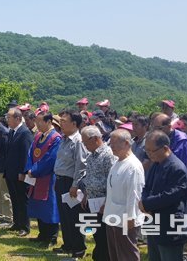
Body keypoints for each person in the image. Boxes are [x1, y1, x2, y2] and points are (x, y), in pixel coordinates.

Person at [140, 130, 187, 261]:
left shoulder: (177, 167)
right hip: (154, 222)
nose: (149, 154)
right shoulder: (156, 164)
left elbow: (171, 195)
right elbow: (147, 187)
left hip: (170, 225)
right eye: (147, 151)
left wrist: (146, 203)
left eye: (152, 151)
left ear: (165, 148)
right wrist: (143, 201)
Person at [104, 129, 145, 261]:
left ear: (127, 143)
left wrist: (131, 216)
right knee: (115, 252)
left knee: (127, 253)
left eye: (115, 143)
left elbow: (135, 193)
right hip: (113, 214)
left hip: (125, 217)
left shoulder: (133, 166)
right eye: (111, 143)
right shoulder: (118, 161)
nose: (112, 146)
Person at [79, 125, 117, 260]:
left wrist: (107, 201)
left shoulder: (108, 155)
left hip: (104, 203)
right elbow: (89, 177)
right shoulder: (91, 156)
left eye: (85, 142)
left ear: (95, 139)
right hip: (92, 201)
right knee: (97, 233)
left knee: (105, 237)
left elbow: (112, 181)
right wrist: (86, 194)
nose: (84, 145)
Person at [54, 110, 87, 258]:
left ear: (74, 124)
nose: (61, 123)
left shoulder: (79, 141)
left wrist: (75, 185)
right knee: (64, 216)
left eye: (64, 121)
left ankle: (78, 247)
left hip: (71, 183)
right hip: (60, 180)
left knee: (74, 216)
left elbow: (81, 165)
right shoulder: (64, 139)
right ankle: (68, 244)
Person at [25, 111, 61, 248]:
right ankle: (42, 234)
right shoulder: (38, 136)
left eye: (40, 121)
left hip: (48, 178)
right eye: (36, 121)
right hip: (35, 176)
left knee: (49, 207)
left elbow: (50, 159)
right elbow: (30, 153)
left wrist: (34, 171)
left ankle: (51, 236)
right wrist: (29, 169)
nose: (37, 124)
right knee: (39, 205)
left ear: (48, 122)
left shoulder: (56, 138)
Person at [4, 108, 33, 237]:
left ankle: (25, 226)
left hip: (20, 174)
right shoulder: (11, 132)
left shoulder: (25, 133)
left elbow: (26, 155)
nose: (7, 120)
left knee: (22, 199)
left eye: (9, 117)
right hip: (10, 172)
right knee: (14, 199)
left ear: (17, 118)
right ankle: (17, 222)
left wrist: (23, 172)